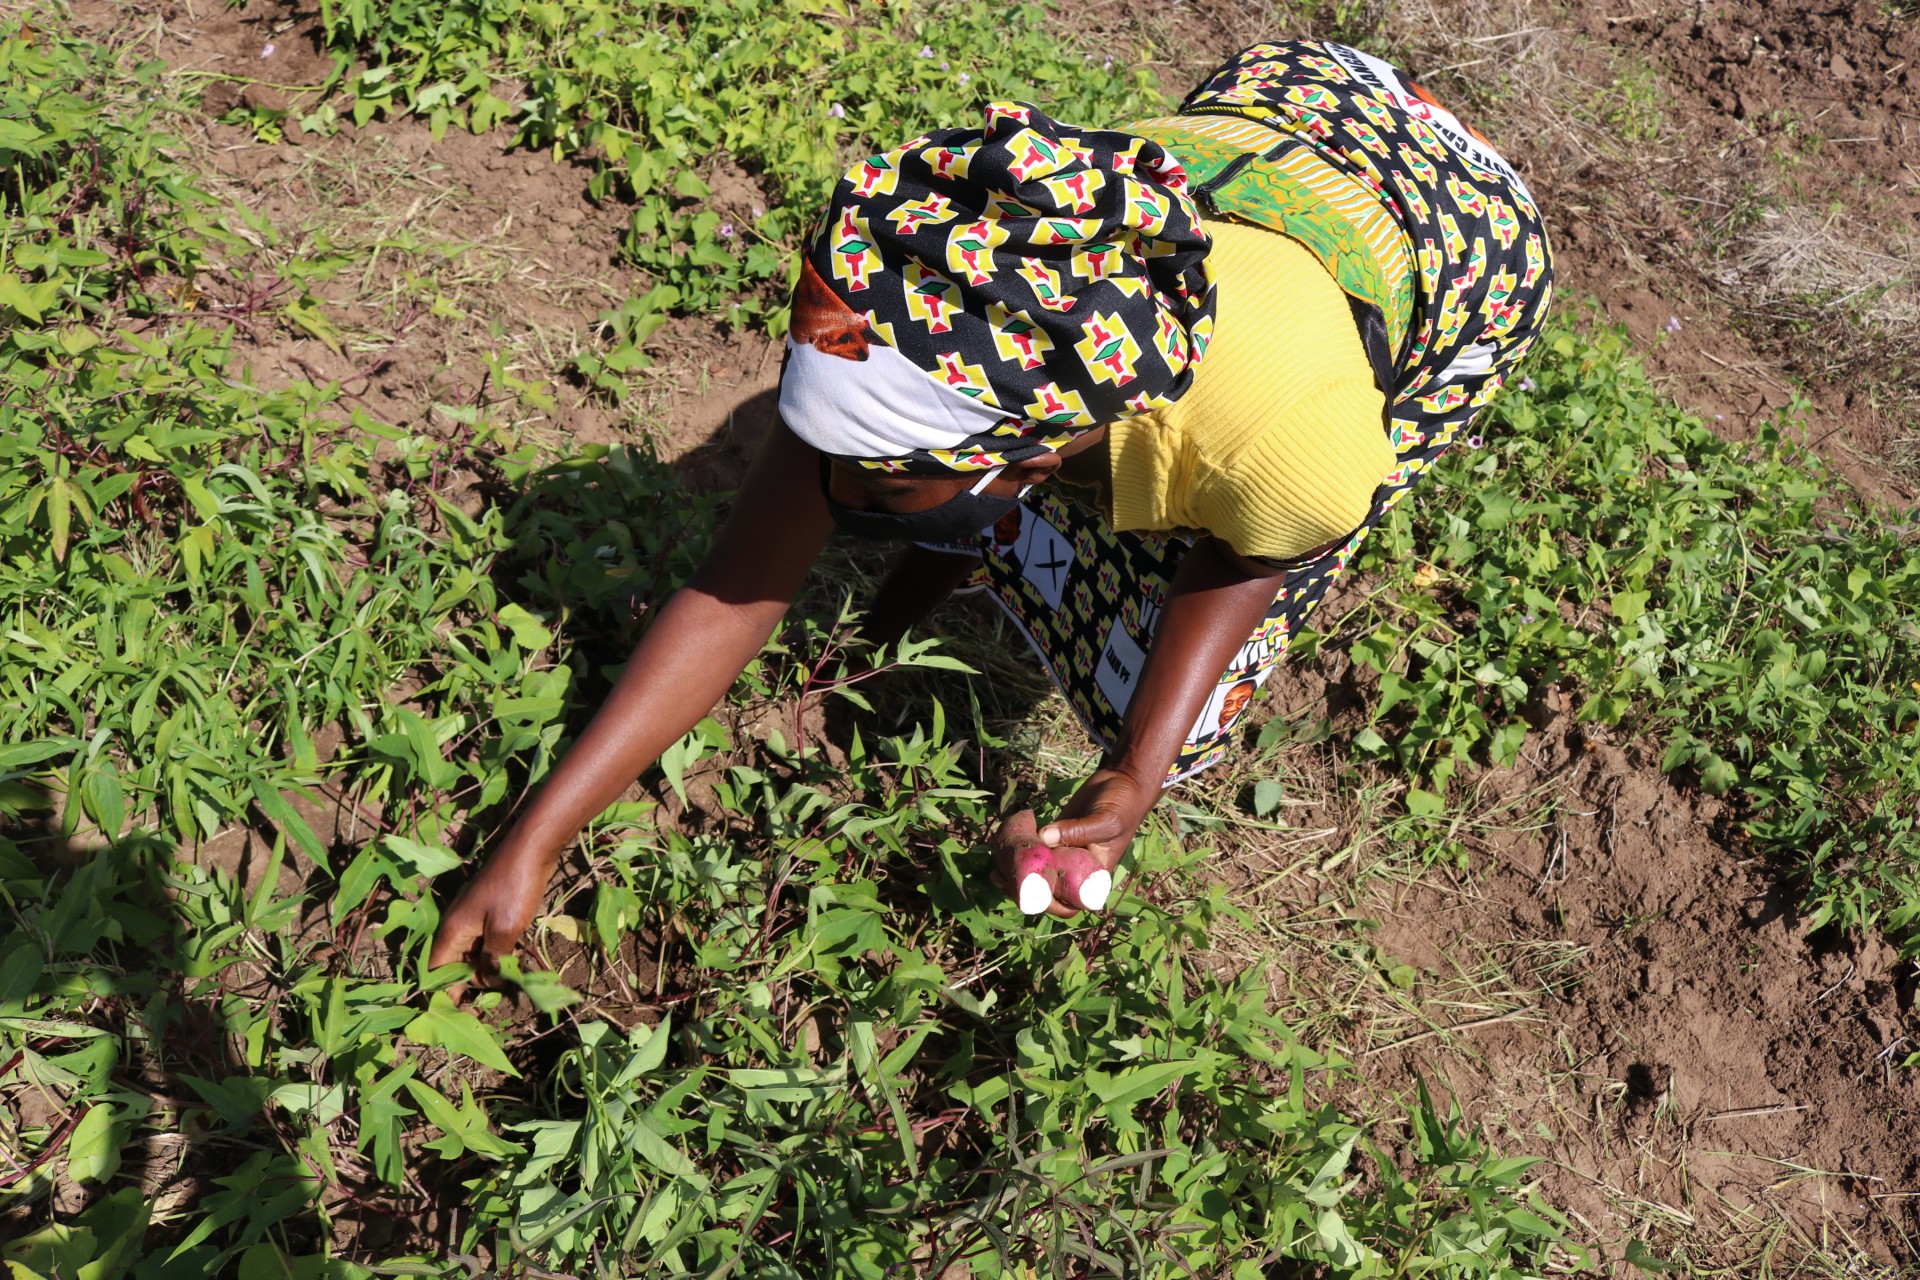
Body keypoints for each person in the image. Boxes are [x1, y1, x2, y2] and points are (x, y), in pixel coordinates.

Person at [430, 39, 1554, 966]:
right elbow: (736, 584)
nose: (830, 481)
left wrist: (1136, 764)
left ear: (1025, 453)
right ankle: (906, 606)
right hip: (1293, 104)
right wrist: (532, 839)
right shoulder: (920, 293)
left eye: (876, 478)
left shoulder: (1291, 440)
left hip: (1458, 247)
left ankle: (978, 586)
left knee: (1154, 637)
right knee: (966, 516)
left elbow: (1249, 562)